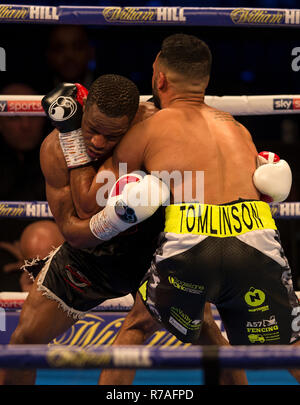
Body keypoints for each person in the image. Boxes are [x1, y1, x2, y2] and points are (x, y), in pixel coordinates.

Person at [68, 34, 299, 384]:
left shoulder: (148, 130)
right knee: (290, 347)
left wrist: (69, 136)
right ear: (204, 80)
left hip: (193, 237)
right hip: (256, 235)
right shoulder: (238, 130)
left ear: (159, 79)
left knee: (136, 327)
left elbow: (89, 203)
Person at [0, 73, 246, 386]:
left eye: (112, 135)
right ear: (84, 109)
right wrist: (113, 214)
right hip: (90, 253)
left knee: (205, 332)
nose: (99, 142)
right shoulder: (56, 149)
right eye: (92, 130)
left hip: (155, 247)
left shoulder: (154, 130)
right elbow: (72, 230)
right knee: (25, 339)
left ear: (131, 123)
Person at [0, 83, 47, 291]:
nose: (26, 125)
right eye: (15, 117)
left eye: (32, 116)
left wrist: (35, 253)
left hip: (51, 251)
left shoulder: (60, 154)